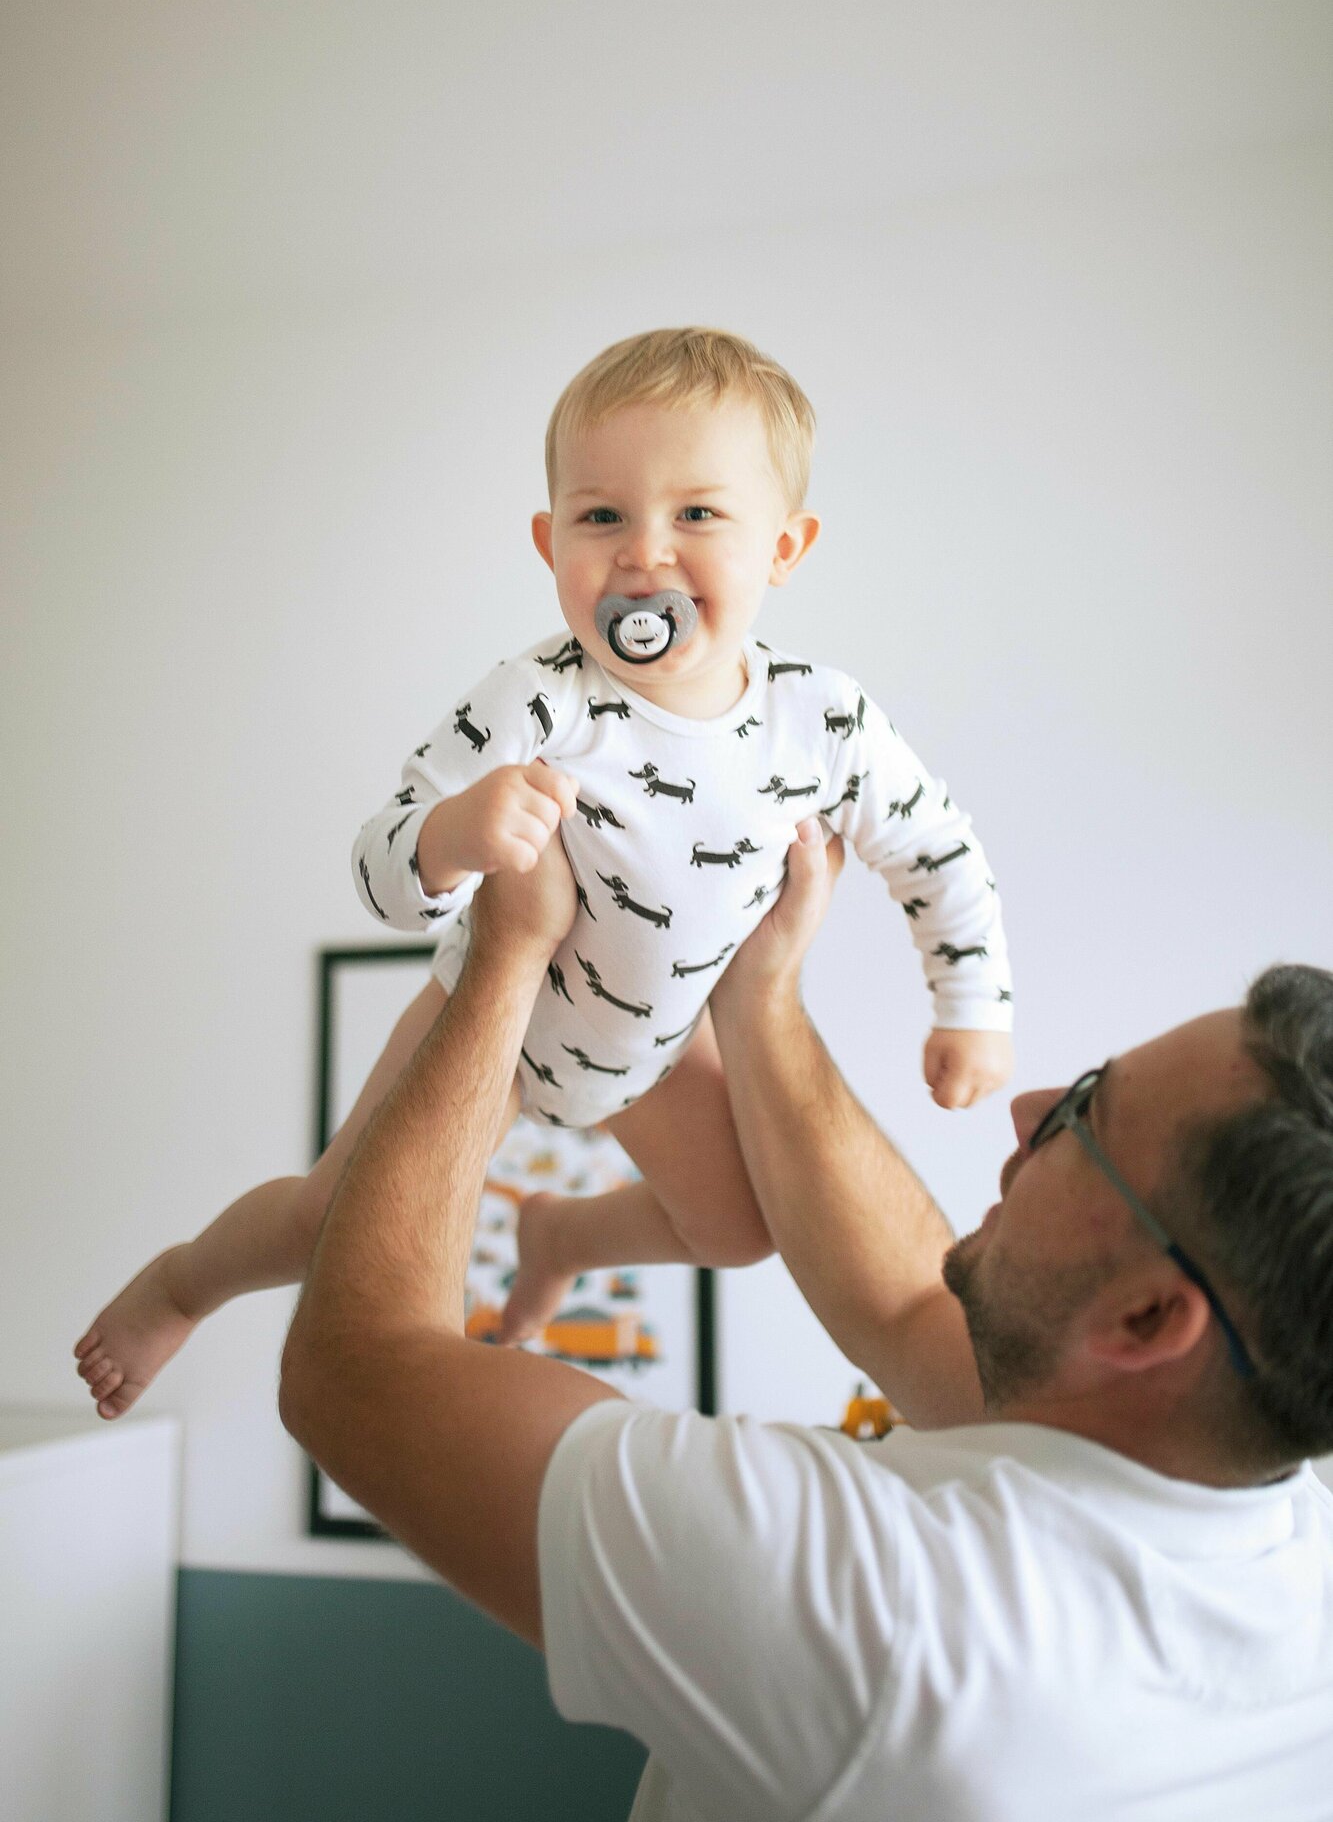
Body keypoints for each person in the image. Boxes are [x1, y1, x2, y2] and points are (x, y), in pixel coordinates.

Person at [279, 824, 1333, 1821]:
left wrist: (508, 960)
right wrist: (762, 993)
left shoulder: (903, 1627)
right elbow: (910, 1304)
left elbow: (358, 1369)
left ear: (1147, 1316)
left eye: (1084, 1112)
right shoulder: (1271, 1519)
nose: (1029, 1103)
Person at [74, 328, 1011, 1417]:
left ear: (783, 548)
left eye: (697, 514)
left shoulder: (824, 721)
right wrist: (455, 834)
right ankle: (185, 1282)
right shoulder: (537, 697)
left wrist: (971, 1004)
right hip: (496, 1025)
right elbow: (380, 860)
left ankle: (561, 1233)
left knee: (737, 1228)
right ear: (549, 538)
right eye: (601, 515)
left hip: (653, 1051)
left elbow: (936, 847)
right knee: (331, 1223)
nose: (644, 553)